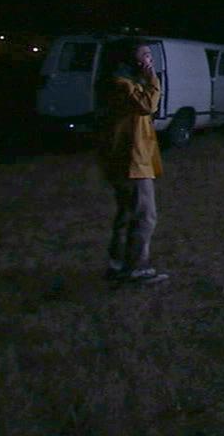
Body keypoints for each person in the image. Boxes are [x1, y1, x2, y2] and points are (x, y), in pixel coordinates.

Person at [97, 38, 169, 285]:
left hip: (129, 158)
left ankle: (117, 265)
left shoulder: (125, 82)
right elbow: (148, 105)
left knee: (127, 214)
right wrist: (152, 78)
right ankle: (136, 268)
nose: (149, 60)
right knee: (144, 215)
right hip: (130, 161)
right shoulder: (122, 84)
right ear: (131, 59)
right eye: (145, 55)